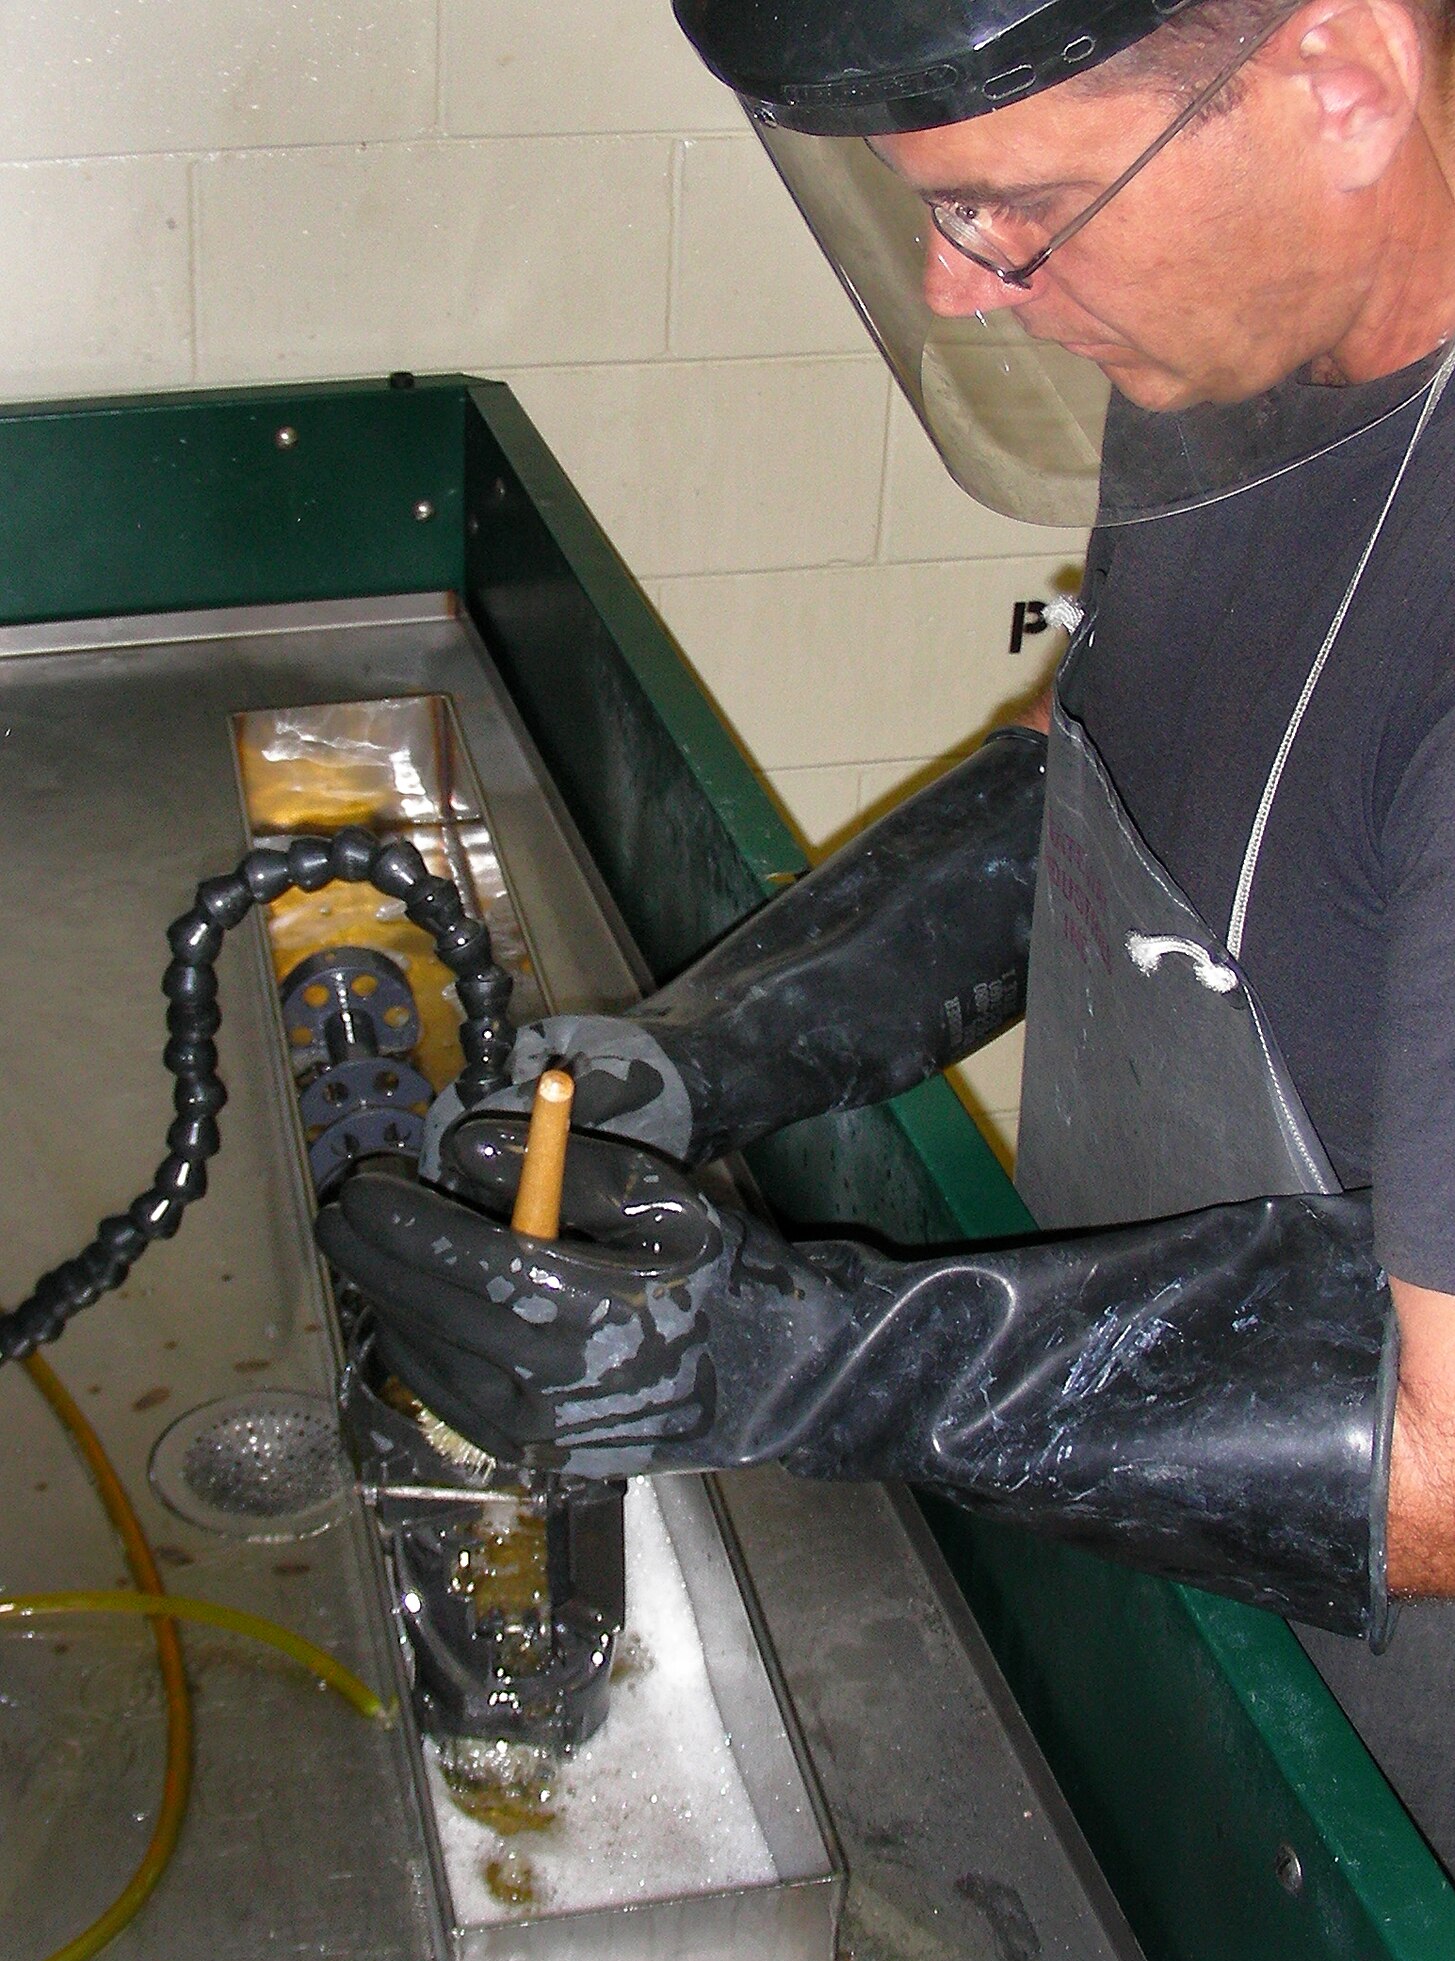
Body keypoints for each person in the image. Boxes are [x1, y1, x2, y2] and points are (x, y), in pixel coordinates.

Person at [318, 0, 1455, 1861]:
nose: (960, 289)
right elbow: (1091, 782)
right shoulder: (1253, 355)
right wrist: (707, 1053)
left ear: (1340, 83)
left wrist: (798, 1360)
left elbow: (1446, 1466)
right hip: (1173, 1522)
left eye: (1022, 210)